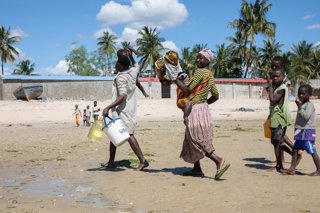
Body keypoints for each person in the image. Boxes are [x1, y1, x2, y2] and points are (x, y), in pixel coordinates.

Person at [175, 49, 230, 180]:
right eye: (197, 58)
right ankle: (197, 169)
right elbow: (215, 96)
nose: (198, 60)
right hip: (203, 110)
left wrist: (174, 80)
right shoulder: (209, 74)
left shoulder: (200, 72)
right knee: (191, 138)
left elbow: (187, 89)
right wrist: (204, 104)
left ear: (208, 61)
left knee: (196, 140)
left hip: (194, 109)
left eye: (201, 58)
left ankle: (218, 160)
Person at [101, 46, 149, 171]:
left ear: (121, 66)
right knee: (114, 131)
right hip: (129, 108)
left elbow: (122, 96)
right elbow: (135, 64)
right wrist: (131, 54)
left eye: (117, 62)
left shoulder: (121, 77)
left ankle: (143, 161)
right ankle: (111, 162)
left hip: (124, 110)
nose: (115, 64)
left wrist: (108, 107)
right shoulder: (133, 71)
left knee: (129, 134)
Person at [269, 56, 302, 165]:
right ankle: (285, 157)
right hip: (275, 113)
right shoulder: (275, 77)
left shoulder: (283, 82)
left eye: (276, 66)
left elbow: (275, 98)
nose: (273, 67)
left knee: (278, 140)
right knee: (279, 139)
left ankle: (283, 159)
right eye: (272, 66)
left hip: (281, 114)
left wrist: (270, 86)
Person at [285, 84, 320, 176]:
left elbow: (305, 117)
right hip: (300, 131)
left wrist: (299, 106)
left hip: (307, 132)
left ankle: (319, 169)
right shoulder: (304, 104)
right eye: (299, 94)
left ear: (309, 95)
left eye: (303, 94)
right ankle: (292, 168)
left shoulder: (309, 105)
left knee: (312, 150)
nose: (301, 96)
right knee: (295, 149)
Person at [267, 66, 293, 172]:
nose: (275, 78)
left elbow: (273, 101)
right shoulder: (277, 87)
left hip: (279, 119)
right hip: (274, 117)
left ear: (283, 76)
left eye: (278, 76)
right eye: (273, 77)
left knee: (277, 142)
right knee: (276, 142)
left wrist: (269, 86)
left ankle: (280, 164)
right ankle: (291, 155)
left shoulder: (282, 88)